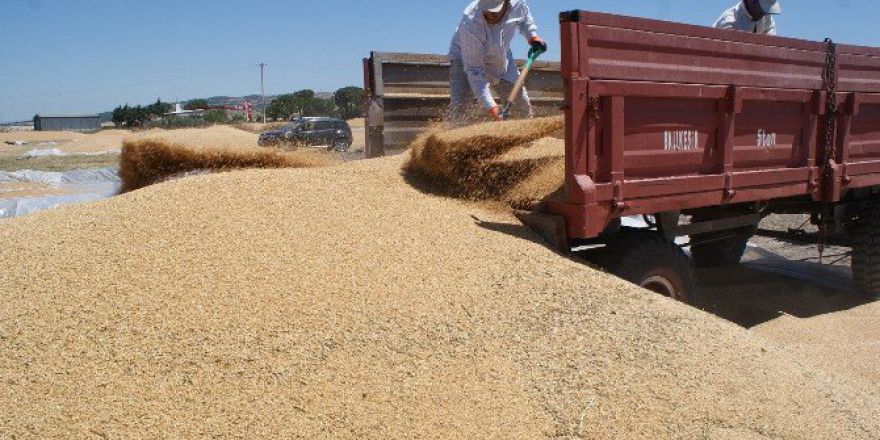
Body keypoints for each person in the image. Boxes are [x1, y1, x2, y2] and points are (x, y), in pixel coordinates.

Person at [447, 0, 547, 123]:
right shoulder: (470, 22)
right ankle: (452, 137)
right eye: (486, 9)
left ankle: (522, 139)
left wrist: (532, 36)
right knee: (460, 107)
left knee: (520, 103)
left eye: (494, 10)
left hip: (501, 54)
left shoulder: (517, 4)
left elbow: (524, 20)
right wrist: (491, 106)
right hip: (465, 58)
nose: (489, 13)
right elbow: (474, 70)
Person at [714, 0, 782, 35]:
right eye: (760, 9)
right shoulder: (730, 22)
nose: (763, 14)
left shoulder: (766, 17)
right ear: (751, 1)